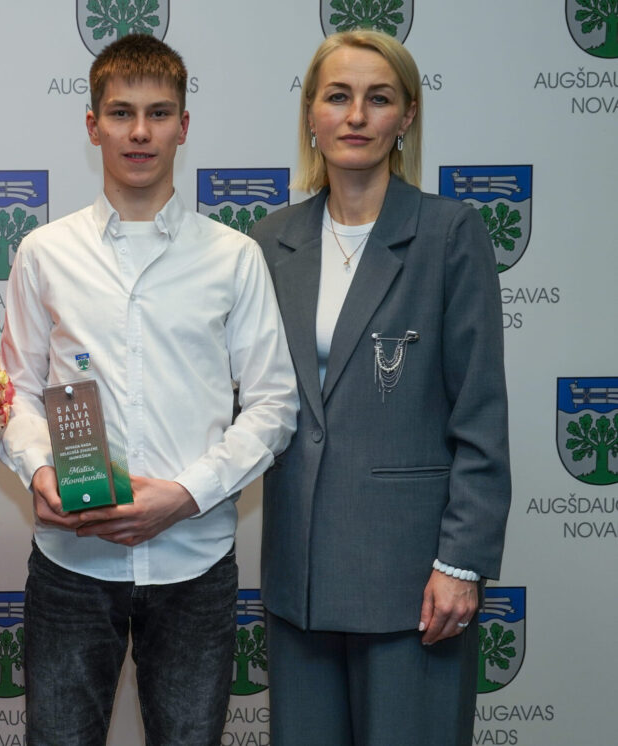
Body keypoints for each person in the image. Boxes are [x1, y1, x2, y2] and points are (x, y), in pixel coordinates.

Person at [0, 35, 298, 745]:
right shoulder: (44, 252)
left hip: (195, 561)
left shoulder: (234, 257)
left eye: (159, 113)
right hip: (73, 563)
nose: (139, 131)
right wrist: (39, 471)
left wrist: (185, 496)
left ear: (183, 126)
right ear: (92, 124)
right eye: (121, 113)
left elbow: (273, 405)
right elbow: (15, 394)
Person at [250, 30, 511, 746]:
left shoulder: (449, 233)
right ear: (311, 113)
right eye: (338, 96)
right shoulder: (270, 241)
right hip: (298, 579)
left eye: (379, 98)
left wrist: (460, 562)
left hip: (415, 580)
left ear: (407, 116)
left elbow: (480, 415)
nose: (357, 115)